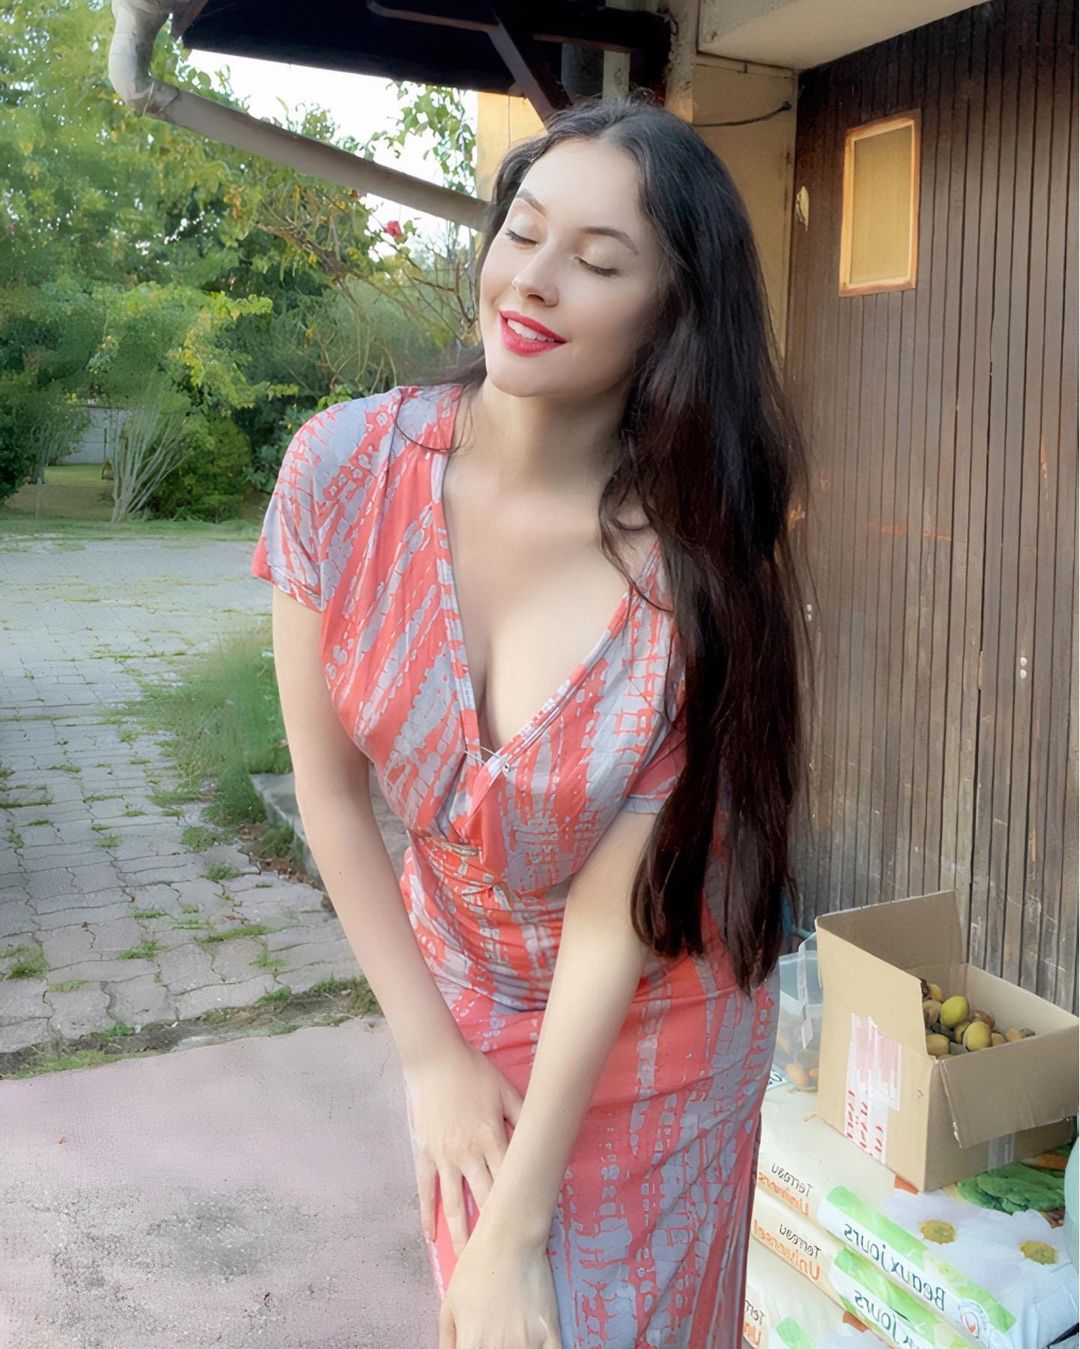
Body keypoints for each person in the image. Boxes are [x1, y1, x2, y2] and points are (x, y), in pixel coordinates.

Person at [250, 90, 812, 1349]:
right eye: (524, 229)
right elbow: (330, 794)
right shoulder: (340, 472)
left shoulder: (691, 568)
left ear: (671, 314)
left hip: (656, 1015)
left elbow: (620, 918)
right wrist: (430, 1055)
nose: (536, 279)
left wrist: (516, 1221)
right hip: (461, 985)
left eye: (599, 262)